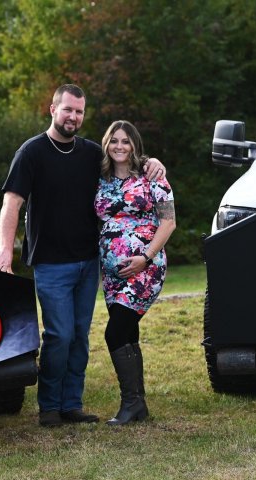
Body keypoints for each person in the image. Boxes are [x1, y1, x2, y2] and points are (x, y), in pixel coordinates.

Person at [0, 84, 166, 427]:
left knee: (80, 336)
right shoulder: (31, 152)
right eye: (68, 109)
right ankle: (50, 407)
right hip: (51, 262)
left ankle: (72, 404)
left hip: (89, 262)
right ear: (52, 109)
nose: (73, 117)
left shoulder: (90, 154)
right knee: (59, 335)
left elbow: (126, 162)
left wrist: (153, 162)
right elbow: (12, 203)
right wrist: (4, 251)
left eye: (80, 111)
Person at [94, 120, 176, 426]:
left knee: (114, 331)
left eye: (125, 141)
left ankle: (129, 403)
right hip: (113, 271)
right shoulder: (100, 179)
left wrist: (145, 256)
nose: (119, 146)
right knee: (127, 331)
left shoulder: (152, 176)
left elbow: (168, 222)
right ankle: (139, 405)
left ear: (134, 145)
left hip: (146, 266)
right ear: (106, 144)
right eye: (114, 140)